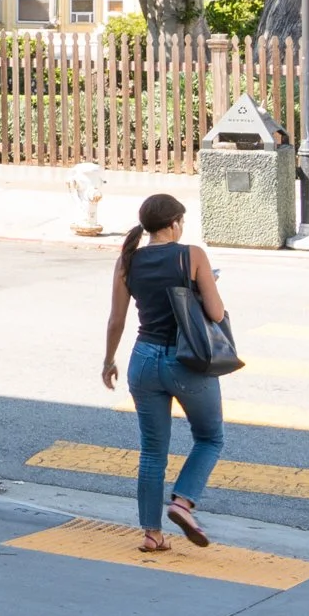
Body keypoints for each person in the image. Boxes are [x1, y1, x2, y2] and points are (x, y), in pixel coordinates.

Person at [101, 193, 227, 552]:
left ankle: (152, 535)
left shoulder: (128, 260)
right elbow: (216, 314)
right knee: (210, 438)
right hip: (186, 361)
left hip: (143, 361)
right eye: (182, 222)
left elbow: (116, 320)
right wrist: (208, 287)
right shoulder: (193, 255)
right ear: (174, 224)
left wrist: (109, 361)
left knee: (153, 452)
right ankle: (183, 502)